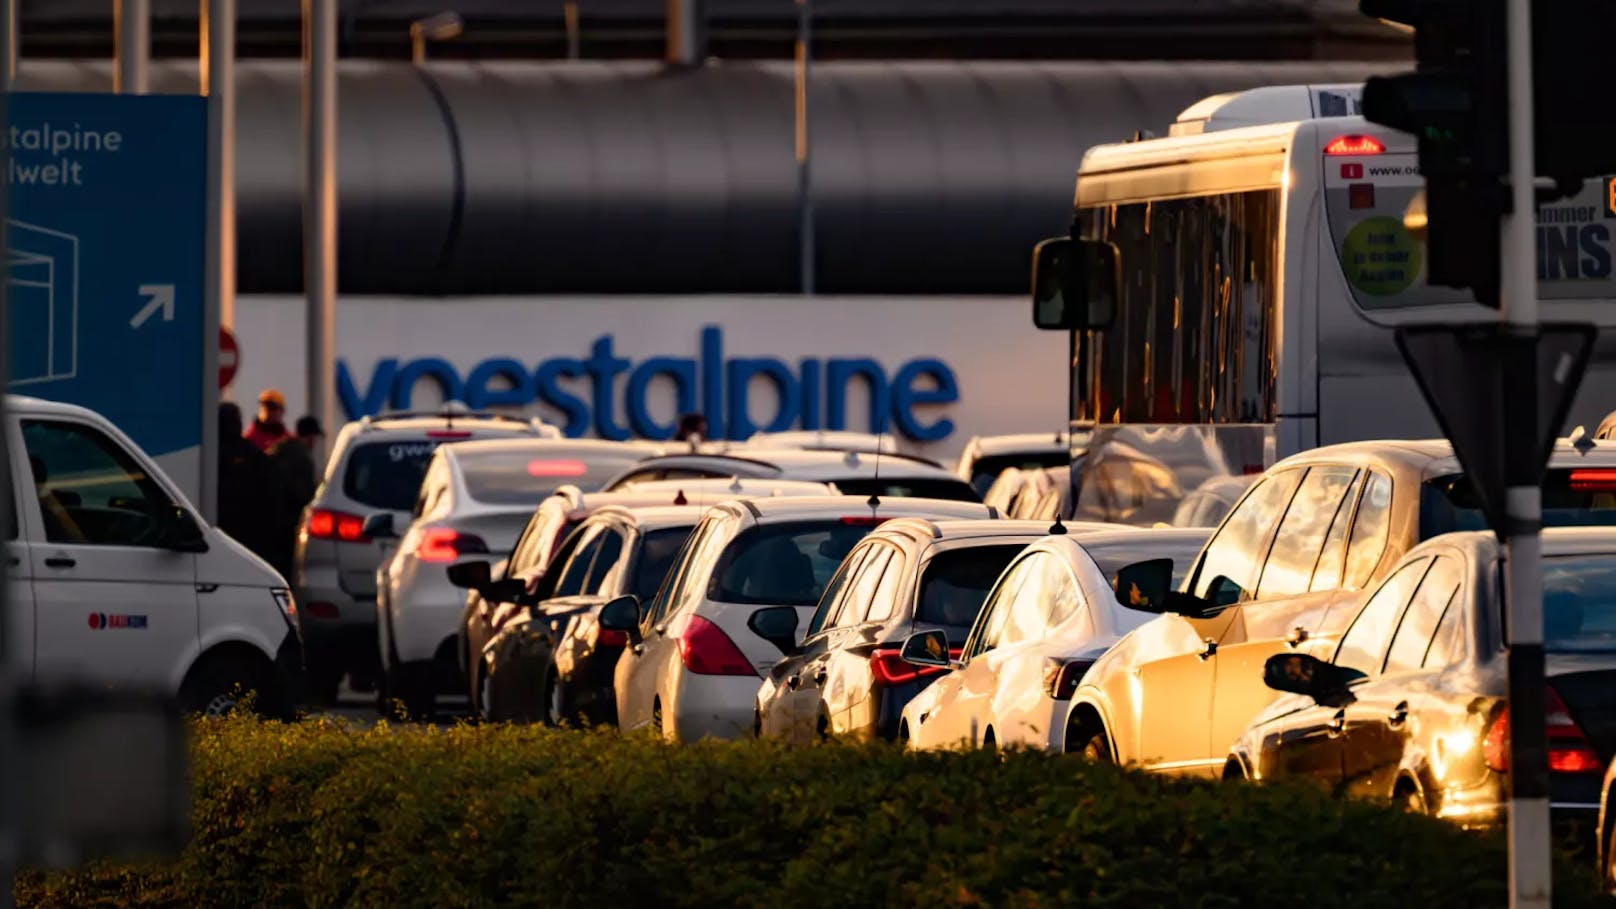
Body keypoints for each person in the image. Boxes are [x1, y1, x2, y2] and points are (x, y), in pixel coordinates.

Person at [218, 402, 289, 575]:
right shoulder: (254, 453)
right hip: (252, 538)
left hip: (221, 534)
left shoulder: (209, 453)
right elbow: (274, 498)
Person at [245, 388, 294, 452]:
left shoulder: (288, 439)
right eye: (264, 407)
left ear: (282, 411)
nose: (268, 412)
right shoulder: (249, 437)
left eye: (272, 408)